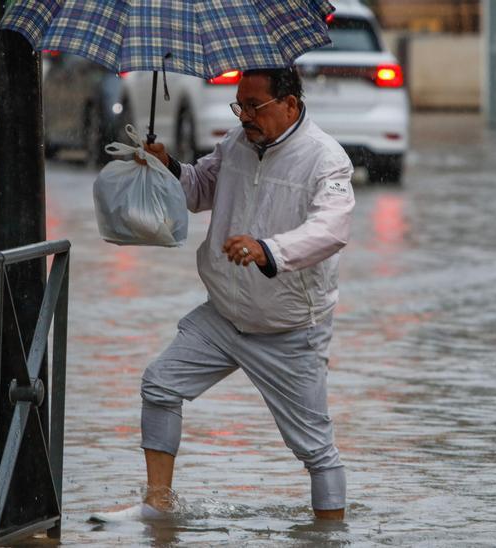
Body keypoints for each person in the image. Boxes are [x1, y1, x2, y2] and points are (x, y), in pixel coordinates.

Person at [132, 66, 355, 521]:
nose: (244, 116)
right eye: (240, 105)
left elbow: (331, 230)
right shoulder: (237, 143)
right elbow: (199, 189)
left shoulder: (326, 159)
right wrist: (168, 165)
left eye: (255, 106)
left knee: (315, 450)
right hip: (224, 316)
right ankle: (156, 508)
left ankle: (329, 533)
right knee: (159, 383)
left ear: (290, 105)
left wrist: (268, 249)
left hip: (289, 330)